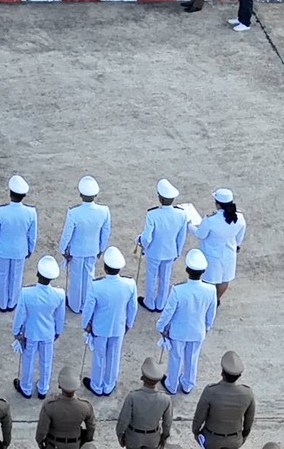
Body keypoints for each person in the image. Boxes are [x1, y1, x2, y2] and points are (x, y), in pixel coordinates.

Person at [156, 252, 218, 396]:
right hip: (198, 331)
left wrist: (161, 326)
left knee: (175, 358)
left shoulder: (178, 290)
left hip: (179, 331)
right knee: (192, 358)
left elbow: (168, 312)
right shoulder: (210, 290)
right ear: (203, 271)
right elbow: (211, 312)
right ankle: (188, 384)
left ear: (187, 270)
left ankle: (172, 385)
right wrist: (207, 326)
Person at [81, 248, 137, 397]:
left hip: (99, 327)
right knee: (114, 356)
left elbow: (88, 308)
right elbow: (133, 307)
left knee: (99, 357)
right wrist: (129, 324)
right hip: (119, 327)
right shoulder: (130, 284)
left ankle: (96, 385)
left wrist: (85, 324)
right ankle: (109, 385)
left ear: (105, 268)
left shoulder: (96, 285)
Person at [12, 256, 63, 399]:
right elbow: (60, 317)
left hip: (31, 332)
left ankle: (26, 388)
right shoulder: (59, 294)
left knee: (28, 360)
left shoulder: (26, 293)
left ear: (37, 273)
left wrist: (16, 331)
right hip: (48, 333)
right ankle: (43, 389)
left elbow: (20, 315)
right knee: (46, 361)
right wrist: (58, 331)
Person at [0, 174, 39, 313]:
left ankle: (2, 303)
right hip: (20, 250)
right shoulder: (31, 212)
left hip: (2, 250)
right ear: (24, 195)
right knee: (16, 276)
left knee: (2, 276)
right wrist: (30, 249)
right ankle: (12, 302)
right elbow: (32, 235)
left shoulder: (1, 211)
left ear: (10, 193)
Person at [59, 177, 111, 315]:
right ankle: (86, 304)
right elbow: (105, 232)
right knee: (89, 277)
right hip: (93, 249)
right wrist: (101, 248)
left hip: (76, 250)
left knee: (76, 278)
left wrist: (63, 249)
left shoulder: (74, 212)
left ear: (80, 194)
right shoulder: (104, 210)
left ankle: (75, 305)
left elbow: (67, 234)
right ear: (96, 194)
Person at [135, 180, 189, 312]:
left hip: (154, 252)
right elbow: (181, 236)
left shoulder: (153, 214)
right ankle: (161, 303)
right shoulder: (181, 214)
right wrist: (177, 252)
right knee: (165, 278)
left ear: (160, 198)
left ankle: (149, 302)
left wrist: (141, 243)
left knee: (151, 277)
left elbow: (147, 237)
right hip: (170, 251)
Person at [191, 351, 256, 448]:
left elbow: (199, 416)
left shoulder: (210, 391)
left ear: (222, 372)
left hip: (211, 439)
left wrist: (196, 432)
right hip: (234, 440)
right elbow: (249, 421)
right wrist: (243, 437)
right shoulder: (248, 393)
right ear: (239, 376)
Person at [193, 191, 247, 306]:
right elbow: (239, 237)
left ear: (218, 204)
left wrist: (189, 225)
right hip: (229, 254)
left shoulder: (210, 220)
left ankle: (208, 302)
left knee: (209, 281)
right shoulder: (240, 217)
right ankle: (216, 299)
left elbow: (200, 235)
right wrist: (236, 246)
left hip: (212, 255)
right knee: (224, 279)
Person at [114, 359, 173, 449]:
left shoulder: (132, 397)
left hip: (133, 437)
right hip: (153, 438)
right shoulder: (165, 399)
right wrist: (164, 437)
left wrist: (120, 435)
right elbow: (167, 422)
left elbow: (123, 420)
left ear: (143, 378)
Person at [34, 367, 95, 449]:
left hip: (53, 444)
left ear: (60, 385)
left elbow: (42, 431)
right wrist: (87, 439)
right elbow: (91, 427)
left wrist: (40, 443)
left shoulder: (49, 405)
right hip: (75, 444)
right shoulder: (85, 406)